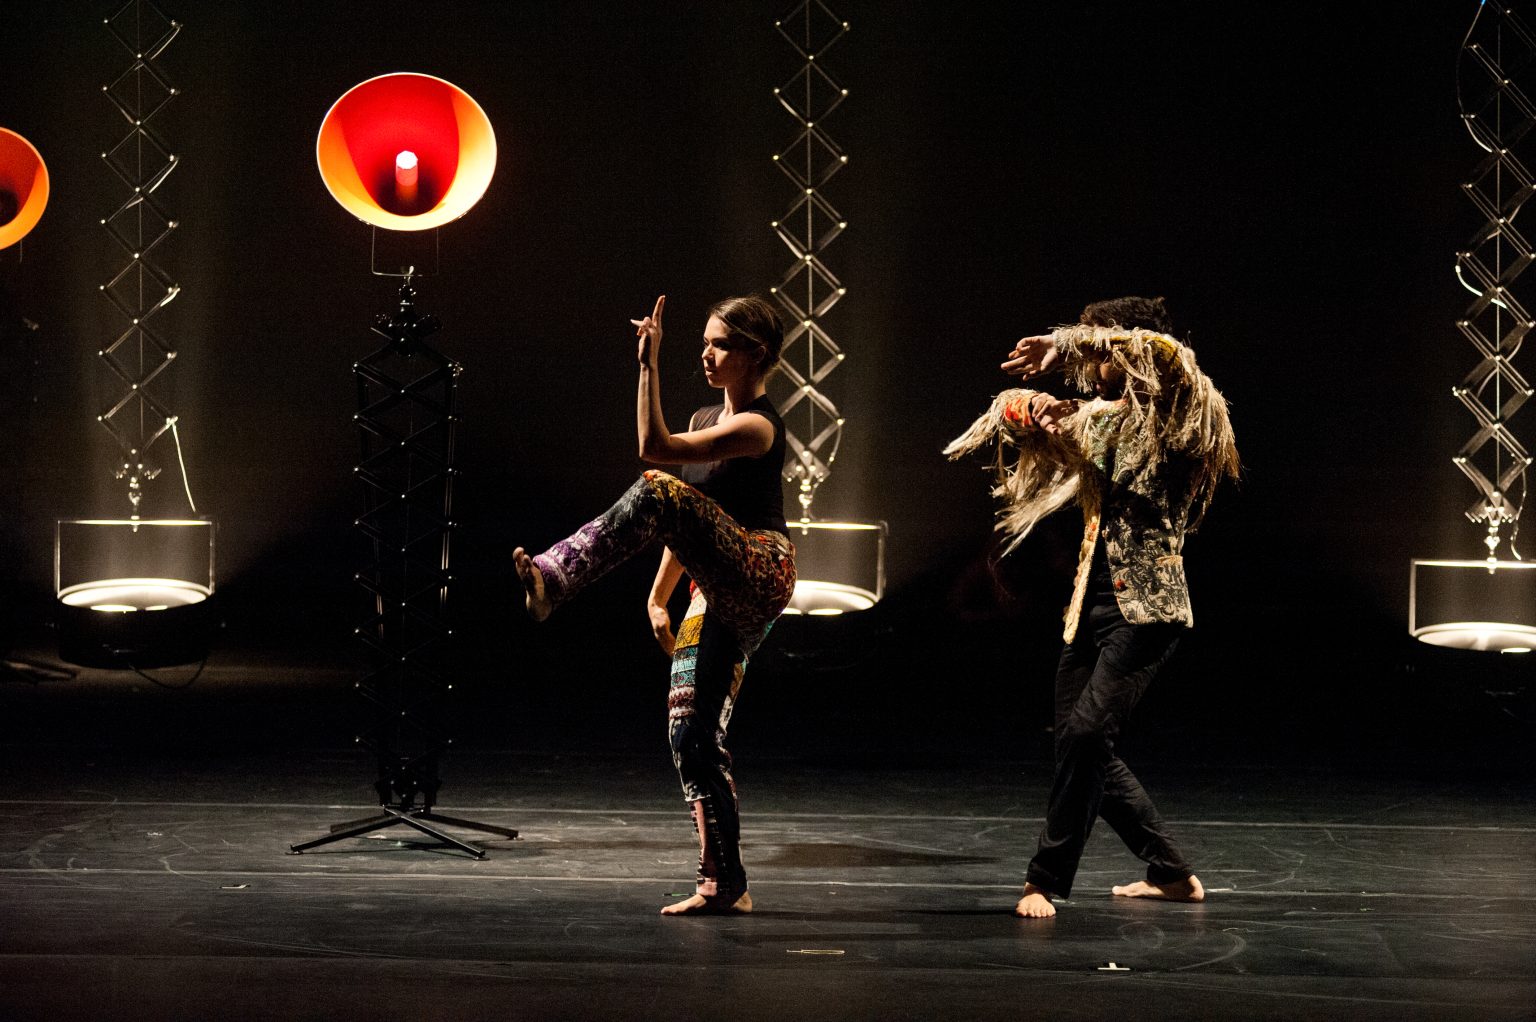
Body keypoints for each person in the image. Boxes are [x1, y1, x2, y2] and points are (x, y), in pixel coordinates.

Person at [945, 296, 1239, 919]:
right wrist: (1033, 408)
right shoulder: (1097, 419)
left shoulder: (1176, 411)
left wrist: (1065, 343)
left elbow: (1165, 355)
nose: (1089, 360)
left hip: (1147, 608)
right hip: (1089, 605)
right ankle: (1171, 872)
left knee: (1085, 735)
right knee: (1078, 746)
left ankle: (1043, 880)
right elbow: (1012, 415)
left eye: (1100, 345)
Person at [513, 293, 796, 916]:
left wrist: (648, 365)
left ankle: (555, 577)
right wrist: (657, 596)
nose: (706, 353)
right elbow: (689, 519)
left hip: (759, 569)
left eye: (720, 344)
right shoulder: (705, 417)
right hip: (712, 583)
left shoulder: (759, 427)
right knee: (689, 729)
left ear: (755, 354)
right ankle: (724, 884)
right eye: (704, 341)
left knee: (655, 487)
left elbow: (653, 450)